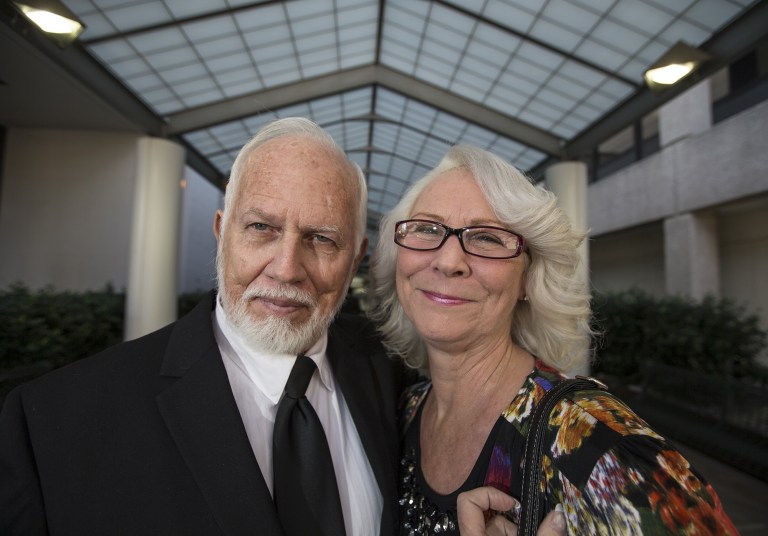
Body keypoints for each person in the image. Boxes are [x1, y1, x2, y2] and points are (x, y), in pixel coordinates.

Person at [0, 117, 407, 535]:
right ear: (221, 232)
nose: (286, 270)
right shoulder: (57, 421)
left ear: (356, 258)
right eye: (261, 228)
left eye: (321, 239)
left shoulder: (393, 374)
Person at [368, 144, 738, 535]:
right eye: (427, 228)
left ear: (528, 278)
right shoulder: (406, 410)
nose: (448, 261)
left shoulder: (596, 443)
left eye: (487, 238)